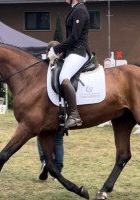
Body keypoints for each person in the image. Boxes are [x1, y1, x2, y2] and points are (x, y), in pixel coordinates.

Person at [47, 0, 90, 129]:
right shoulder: (75, 9)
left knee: (63, 78)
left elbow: (74, 37)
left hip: (79, 51)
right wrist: (62, 52)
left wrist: (56, 49)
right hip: (72, 52)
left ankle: (74, 115)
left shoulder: (80, 10)